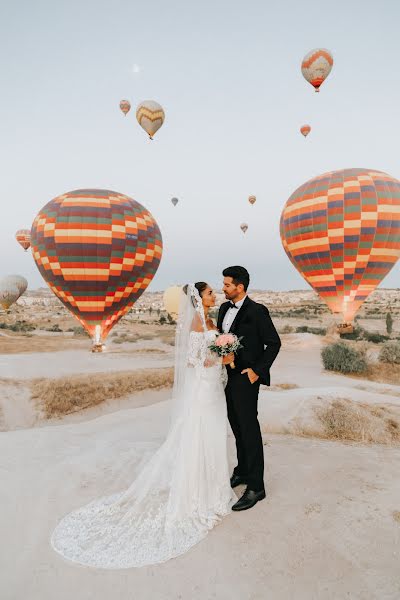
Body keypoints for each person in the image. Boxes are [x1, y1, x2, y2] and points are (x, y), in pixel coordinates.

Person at [50, 283, 237, 569]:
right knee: (199, 434)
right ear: (199, 298)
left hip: (213, 390)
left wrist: (222, 349)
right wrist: (223, 354)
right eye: (211, 292)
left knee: (212, 434)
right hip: (203, 389)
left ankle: (213, 486)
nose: (215, 295)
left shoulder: (211, 321)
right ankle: (200, 493)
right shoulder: (197, 325)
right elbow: (196, 360)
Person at [217, 266, 281, 511]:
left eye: (226, 285)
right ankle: (242, 471)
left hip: (246, 379)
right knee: (236, 426)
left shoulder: (257, 311)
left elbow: (274, 343)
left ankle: (256, 486)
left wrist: (256, 371)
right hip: (226, 377)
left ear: (239, 287)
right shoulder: (224, 308)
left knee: (249, 429)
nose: (223, 288)